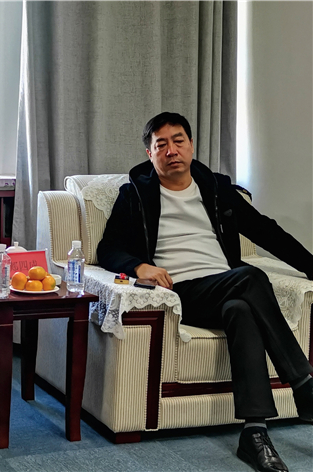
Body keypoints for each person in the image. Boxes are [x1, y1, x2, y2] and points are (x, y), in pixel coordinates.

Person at [98, 112, 313, 472]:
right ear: (150, 154)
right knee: (250, 278)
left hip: (225, 286)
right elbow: (108, 248)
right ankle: (304, 383)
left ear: (192, 145)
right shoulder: (134, 194)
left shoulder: (215, 188)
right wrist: (139, 267)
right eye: (161, 145)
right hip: (182, 294)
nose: (171, 150)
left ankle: (254, 433)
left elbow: (266, 231)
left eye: (178, 141)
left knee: (241, 310)